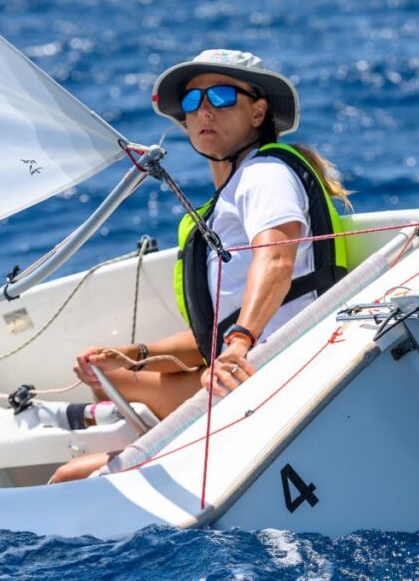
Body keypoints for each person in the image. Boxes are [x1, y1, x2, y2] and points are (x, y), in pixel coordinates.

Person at [47, 49, 350, 483]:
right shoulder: (231, 196)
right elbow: (221, 326)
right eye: (192, 102)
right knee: (104, 389)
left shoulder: (264, 174)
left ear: (258, 111)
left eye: (222, 96)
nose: (204, 110)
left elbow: (278, 258)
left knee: (68, 477)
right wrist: (139, 355)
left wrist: (241, 342)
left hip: (275, 377)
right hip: (244, 375)